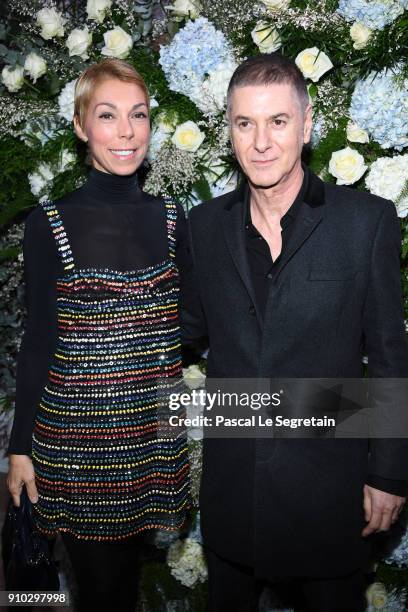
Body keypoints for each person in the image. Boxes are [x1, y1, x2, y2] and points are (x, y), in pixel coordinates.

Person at [183, 53, 408, 611]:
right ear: (229, 131)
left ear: (306, 128)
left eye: (277, 121)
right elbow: (178, 329)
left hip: (329, 495)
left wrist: (390, 472)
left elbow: (388, 358)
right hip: (234, 494)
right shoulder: (204, 226)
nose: (261, 141)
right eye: (244, 123)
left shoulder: (366, 222)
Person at [6, 58, 192, 611]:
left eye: (138, 115)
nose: (128, 131)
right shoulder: (49, 225)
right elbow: (38, 341)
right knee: (104, 593)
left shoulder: (172, 218)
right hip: (78, 449)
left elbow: (194, 323)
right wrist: (20, 450)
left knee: (126, 586)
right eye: (108, 116)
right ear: (82, 126)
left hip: (152, 441)